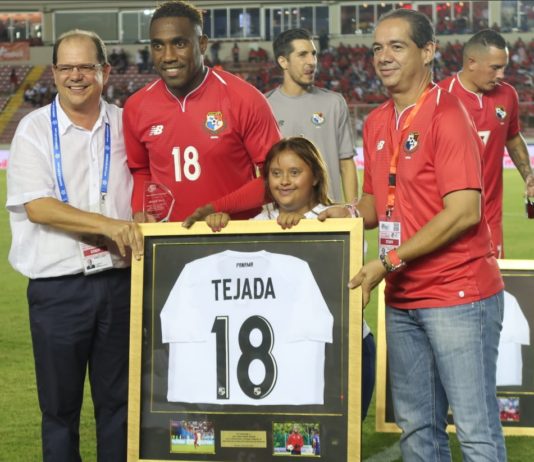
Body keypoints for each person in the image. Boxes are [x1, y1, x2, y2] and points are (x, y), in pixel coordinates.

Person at [319, 9, 506, 461]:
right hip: (403, 298)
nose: (383, 57)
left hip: (457, 295)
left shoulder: (448, 113)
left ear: (428, 52)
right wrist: (342, 212)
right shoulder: (377, 121)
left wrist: (387, 262)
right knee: (418, 431)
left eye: (396, 46)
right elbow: (376, 203)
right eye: (377, 48)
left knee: (476, 432)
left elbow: (464, 212)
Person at [6, 29, 143, 462]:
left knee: (120, 407)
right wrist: (109, 226)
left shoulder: (127, 124)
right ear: (54, 72)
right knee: (59, 411)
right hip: (57, 291)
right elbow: (39, 207)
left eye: (86, 66)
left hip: (121, 285)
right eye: (66, 67)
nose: (76, 76)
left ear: (105, 71)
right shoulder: (33, 129)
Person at [205, 137, 376, 420]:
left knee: (339, 440)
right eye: (276, 173)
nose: (284, 181)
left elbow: (343, 274)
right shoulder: (258, 222)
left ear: (316, 177)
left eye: (294, 172)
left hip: (342, 349)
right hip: (284, 356)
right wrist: (219, 228)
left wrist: (300, 233)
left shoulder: (334, 219)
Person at [123, 0, 280, 226]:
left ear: (202, 44)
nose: (167, 56)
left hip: (234, 235)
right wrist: (140, 210)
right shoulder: (136, 106)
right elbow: (141, 170)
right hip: (168, 239)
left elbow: (277, 178)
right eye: (158, 46)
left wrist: (217, 208)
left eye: (179, 43)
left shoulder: (245, 99)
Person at [439, 29, 534, 258]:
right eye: (495, 68)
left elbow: (512, 137)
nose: (501, 74)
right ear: (471, 62)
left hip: (490, 220)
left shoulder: (507, 95)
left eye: (504, 67)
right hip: (446, 221)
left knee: (494, 280)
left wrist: (528, 175)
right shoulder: (439, 97)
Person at [266, 28, 359, 204]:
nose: (312, 61)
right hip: (282, 215)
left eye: (313, 54)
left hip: (328, 212)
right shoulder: (264, 106)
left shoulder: (334, 103)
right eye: (303, 55)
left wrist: (352, 210)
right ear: (283, 61)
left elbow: (346, 164)